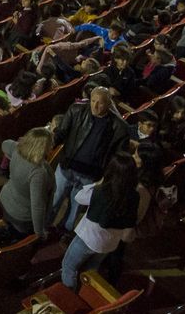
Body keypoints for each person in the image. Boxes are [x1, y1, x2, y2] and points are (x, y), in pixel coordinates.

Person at [60, 156, 149, 289]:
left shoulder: (102, 191)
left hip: (88, 239)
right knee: (91, 270)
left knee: (69, 267)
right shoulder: (134, 196)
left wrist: (99, 183)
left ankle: (69, 295)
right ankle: (85, 293)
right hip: (109, 243)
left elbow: (79, 197)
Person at [50, 87, 131, 230]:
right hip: (67, 167)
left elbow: (117, 158)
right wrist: (46, 144)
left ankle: (64, 231)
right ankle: (44, 227)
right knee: (55, 200)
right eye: (93, 101)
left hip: (90, 175)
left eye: (100, 103)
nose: (95, 106)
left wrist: (105, 178)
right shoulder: (76, 110)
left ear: (109, 104)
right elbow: (62, 133)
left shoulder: (119, 127)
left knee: (75, 208)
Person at [0, 128, 56, 238]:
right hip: (21, 216)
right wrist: (39, 232)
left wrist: (19, 144)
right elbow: (37, 206)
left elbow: (4, 144)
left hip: (5, 199)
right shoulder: (38, 172)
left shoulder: (16, 149)